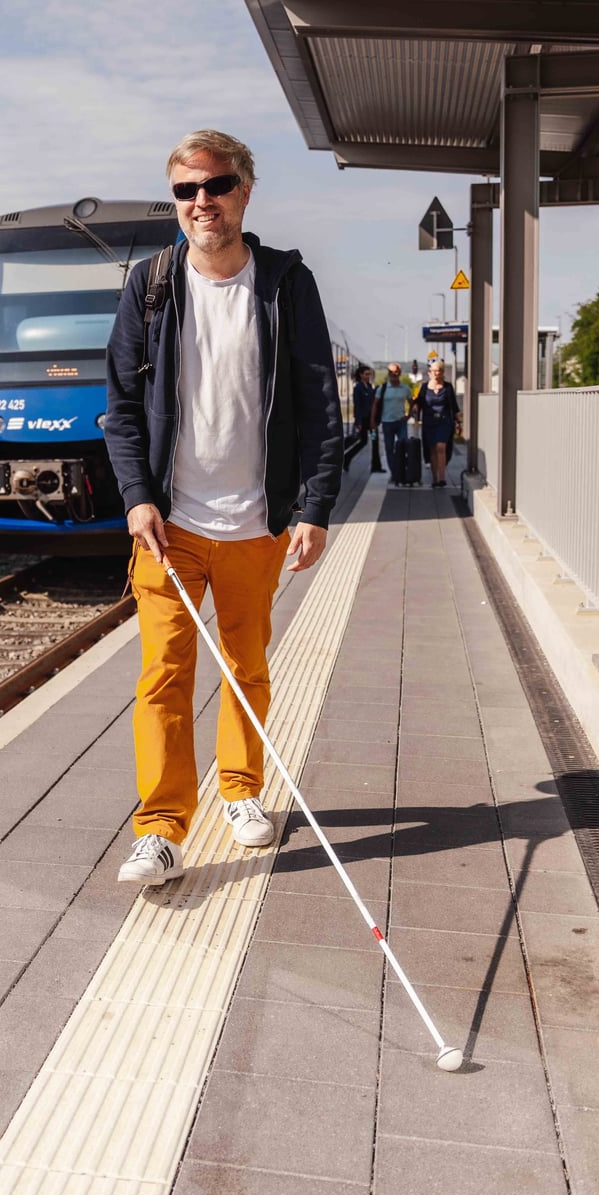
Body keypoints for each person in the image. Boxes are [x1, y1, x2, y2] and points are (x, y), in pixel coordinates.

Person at [103, 129, 343, 887]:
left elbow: (319, 402)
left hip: (254, 523)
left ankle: (240, 790)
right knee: (164, 675)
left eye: (216, 185)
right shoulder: (150, 285)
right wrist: (138, 498)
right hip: (170, 527)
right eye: (186, 190)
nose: (201, 201)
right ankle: (163, 827)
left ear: (245, 190)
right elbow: (121, 407)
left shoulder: (283, 284)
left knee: (246, 666)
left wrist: (313, 505)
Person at [418, 359, 459, 488]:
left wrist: (458, 421)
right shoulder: (424, 387)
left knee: (441, 447)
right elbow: (419, 403)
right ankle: (435, 478)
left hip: (444, 421)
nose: (436, 373)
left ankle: (442, 477)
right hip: (429, 422)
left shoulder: (447, 387)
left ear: (442, 372)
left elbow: (454, 405)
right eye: (434, 371)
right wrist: (414, 410)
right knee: (432, 449)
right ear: (430, 372)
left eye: (439, 371)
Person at [372, 363, 411, 482]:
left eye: (396, 372)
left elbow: (412, 402)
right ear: (388, 374)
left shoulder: (405, 389)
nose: (393, 375)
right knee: (389, 448)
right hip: (386, 422)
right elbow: (375, 404)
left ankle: (402, 470)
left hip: (401, 422)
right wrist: (372, 421)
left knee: (403, 446)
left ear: (399, 373)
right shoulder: (382, 388)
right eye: (391, 372)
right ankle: (394, 473)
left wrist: (408, 415)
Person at [351, 367, 377, 471]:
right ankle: (347, 458)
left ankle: (376, 465)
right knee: (363, 441)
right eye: (366, 374)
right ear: (361, 375)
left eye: (369, 374)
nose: (368, 376)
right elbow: (357, 405)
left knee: (375, 440)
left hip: (372, 420)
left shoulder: (370, 386)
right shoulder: (358, 388)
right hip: (363, 420)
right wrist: (358, 421)